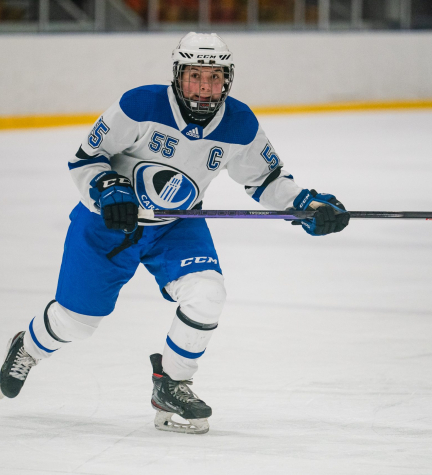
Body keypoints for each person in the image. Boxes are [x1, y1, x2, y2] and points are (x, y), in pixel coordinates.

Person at [0, 32, 349, 434]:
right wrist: (107, 189)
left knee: (208, 292)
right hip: (108, 224)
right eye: (195, 76)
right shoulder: (139, 105)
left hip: (177, 224)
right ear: (177, 75)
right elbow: (85, 159)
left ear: (227, 79)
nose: (204, 87)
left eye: (214, 77)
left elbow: (267, 180)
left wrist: (307, 205)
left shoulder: (239, 123)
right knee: (77, 322)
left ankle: (172, 382)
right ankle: (26, 347)